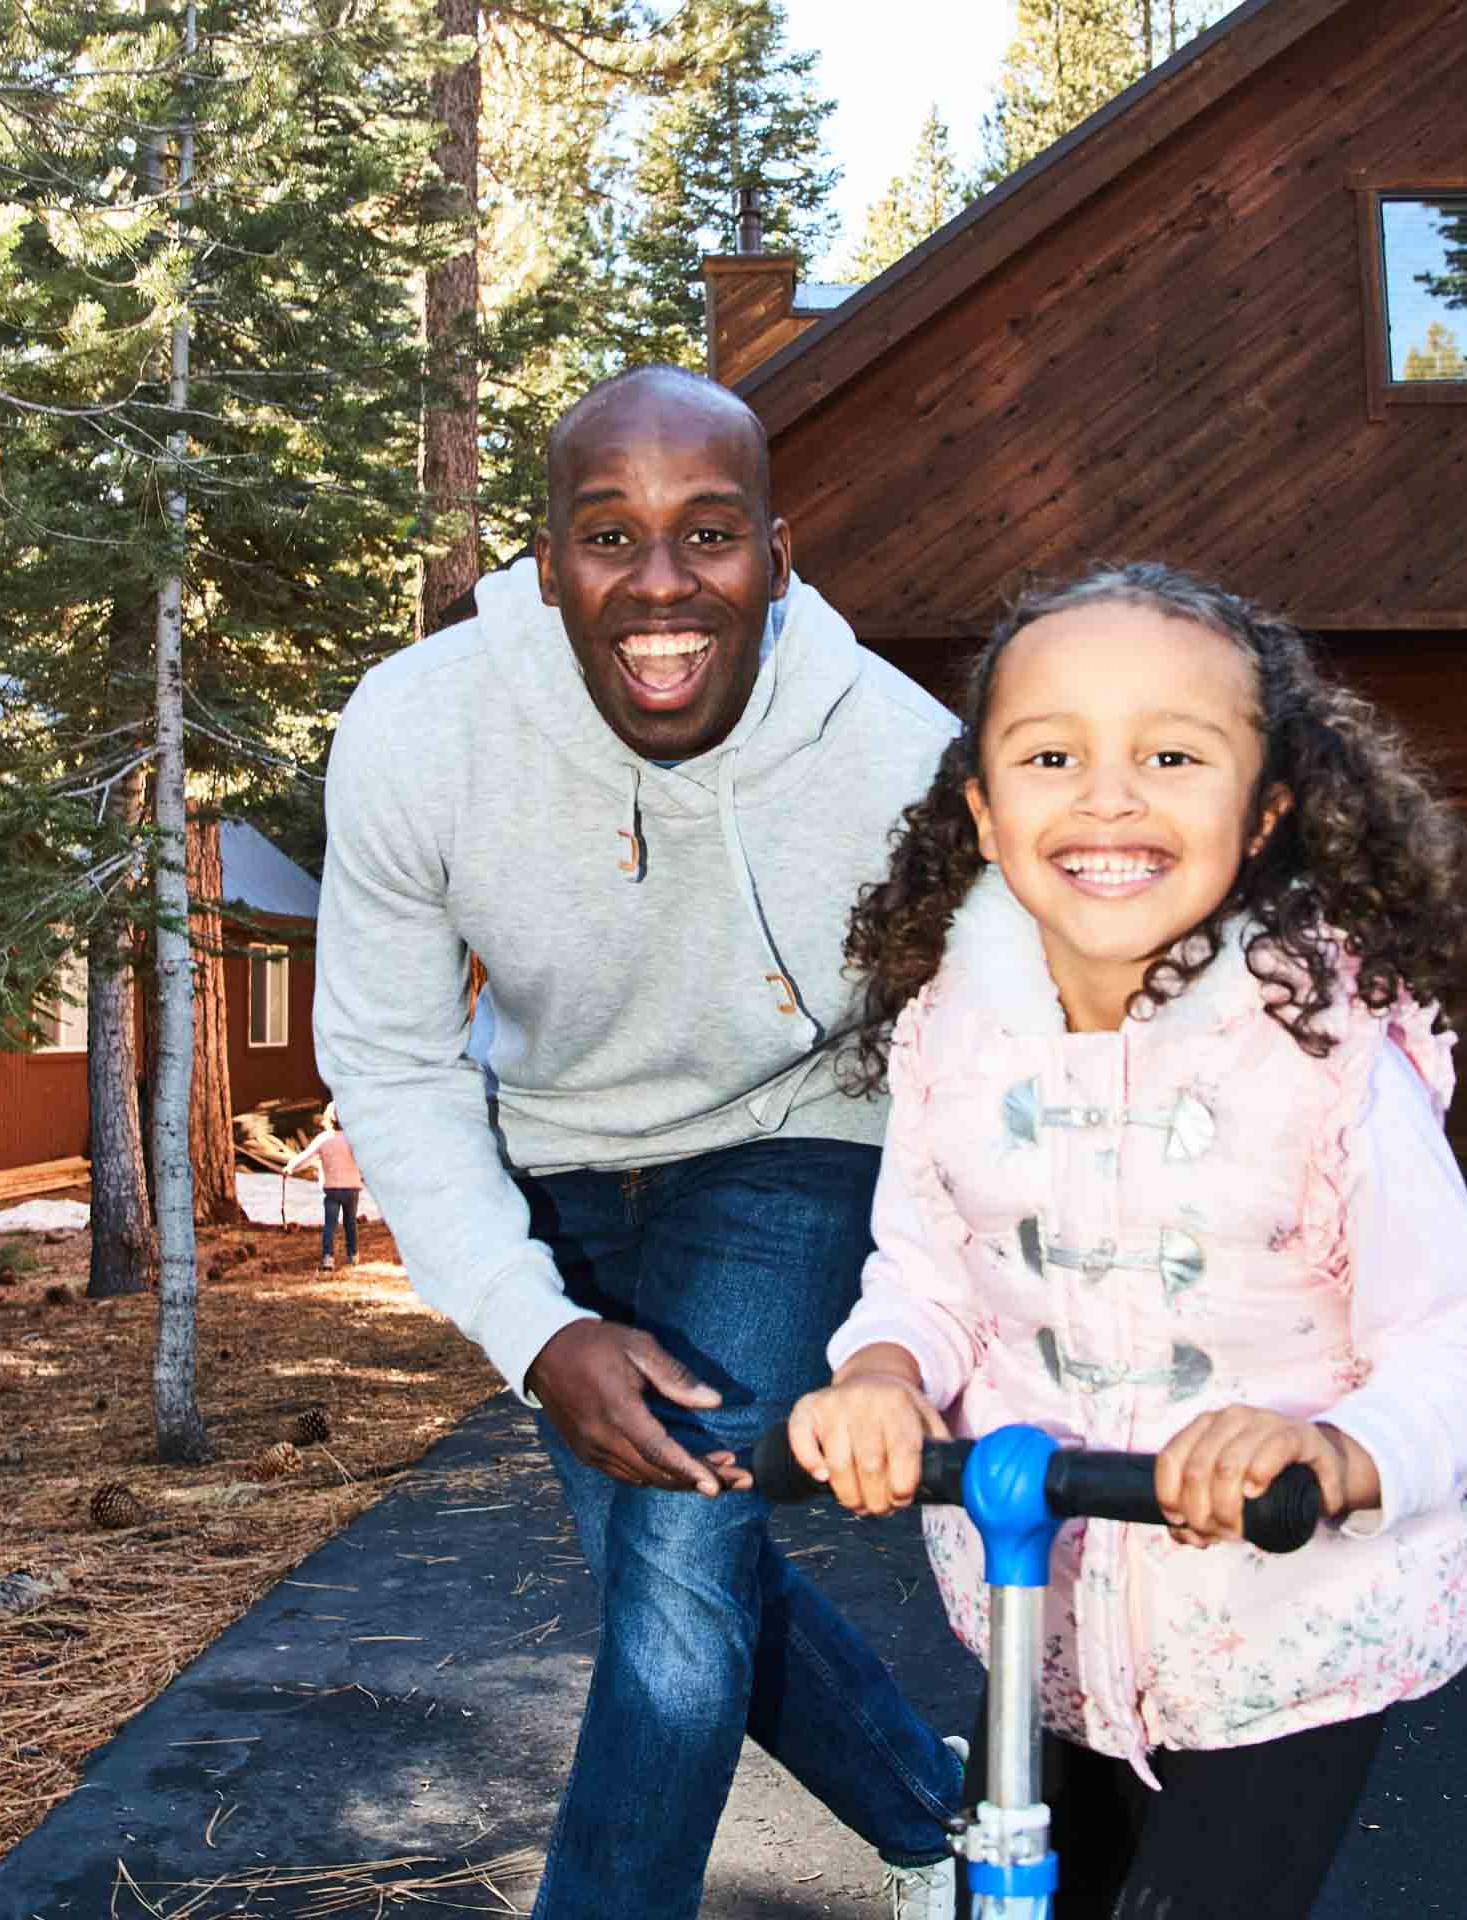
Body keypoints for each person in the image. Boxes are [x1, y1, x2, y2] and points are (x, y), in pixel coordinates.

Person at [785, 565, 1467, 1920]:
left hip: (1289, 1628)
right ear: (984, 807)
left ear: (1264, 813)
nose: (1110, 794)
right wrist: (885, 1373)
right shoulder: (953, 1035)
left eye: (1172, 754)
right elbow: (926, 1272)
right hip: (1052, 1621)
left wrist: (1333, 1450)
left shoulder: (1320, 1056)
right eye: (1054, 753)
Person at [313, 365, 967, 1920]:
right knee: (684, 1563)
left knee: (677, 1558)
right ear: (547, 564)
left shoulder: (896, 753)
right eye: (610, 535)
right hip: (552, 1151)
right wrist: (537, 1331)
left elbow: (1016, 1002)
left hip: (798, 1129)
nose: (662, 583)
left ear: (779, 557)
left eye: (711, 534)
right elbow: (393, 1064)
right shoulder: (418, 732)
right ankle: (936, 1816)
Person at [283, 1105, 364, 1271]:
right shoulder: (355, 1139)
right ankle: (353, 1256)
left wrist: (290, 1168)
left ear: (327, 1119)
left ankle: (328, 1258)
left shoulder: (323, 1139)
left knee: (330, 1226)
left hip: (332, 1190)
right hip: (352, 1189)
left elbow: (305, 1157)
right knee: (350, 1223)